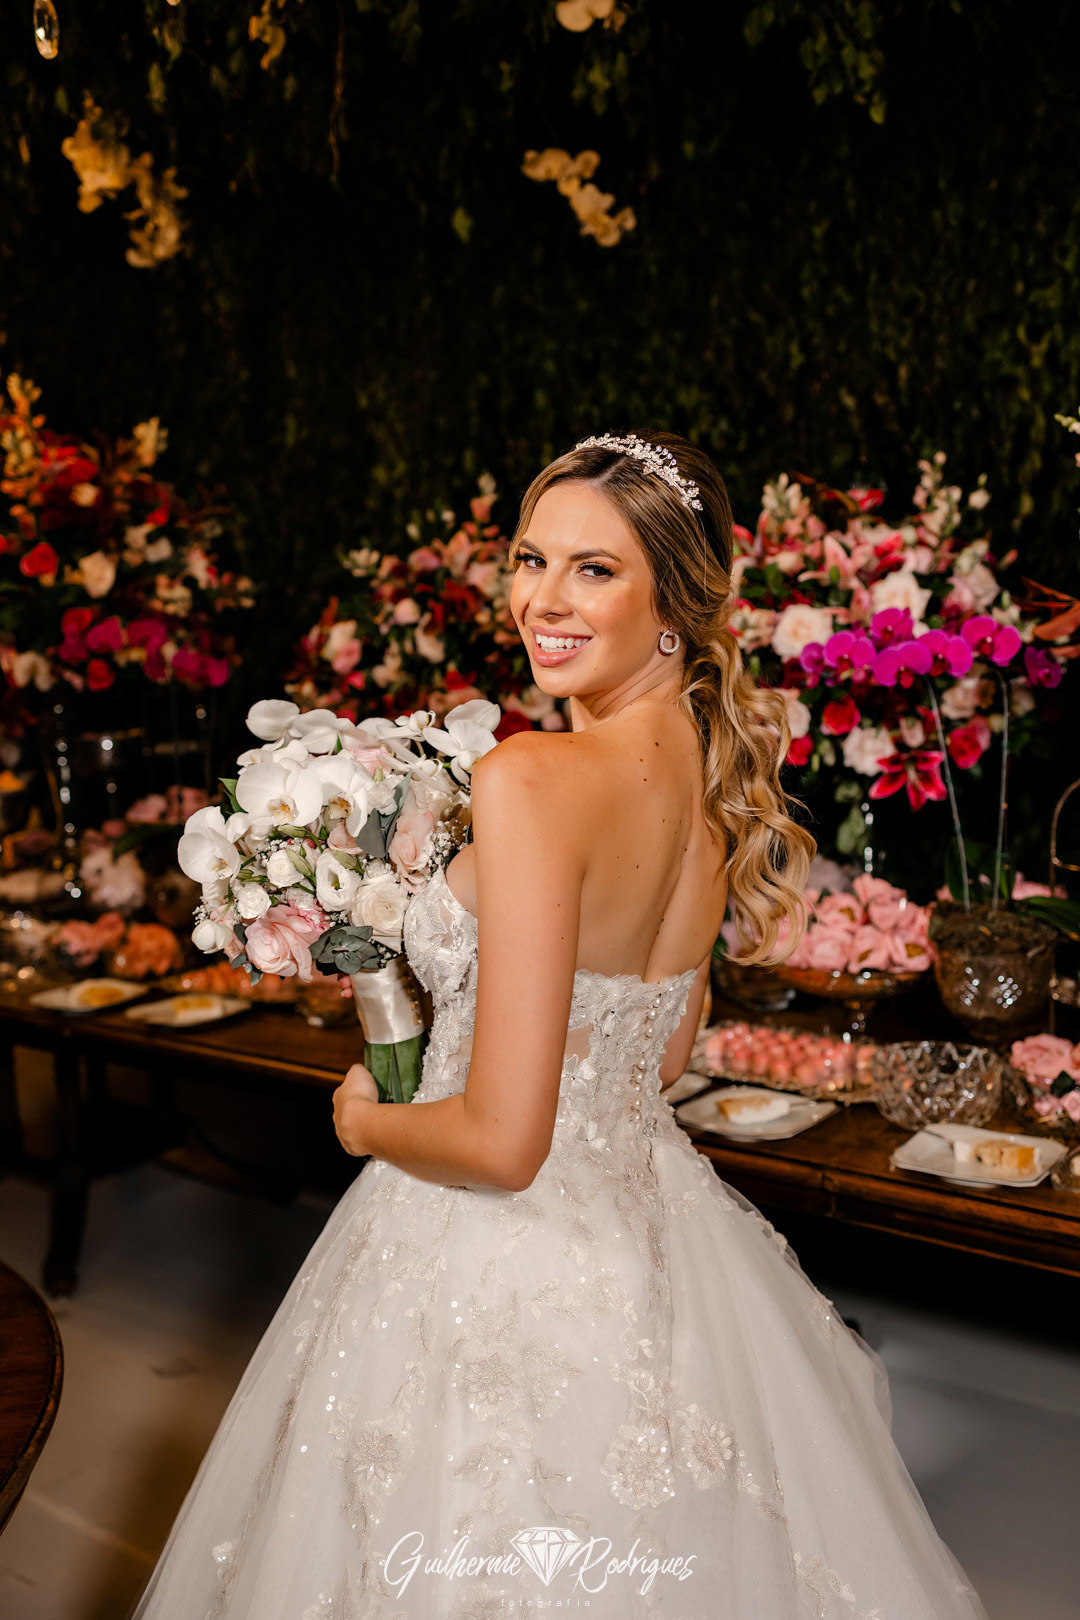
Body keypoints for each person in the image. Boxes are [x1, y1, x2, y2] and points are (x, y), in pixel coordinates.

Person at [132, 431, 990, 1619]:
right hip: (655, 1238)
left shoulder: (532, 781)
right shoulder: (710, 779)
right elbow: (660, 1051)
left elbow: (501, 1142)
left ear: (676, 603)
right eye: (533, 559)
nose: (543, 598)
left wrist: (371, 1117)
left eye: (596, 570)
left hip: (491, 1260)